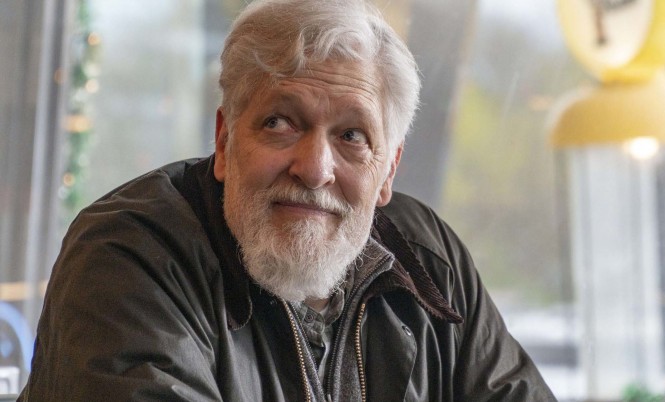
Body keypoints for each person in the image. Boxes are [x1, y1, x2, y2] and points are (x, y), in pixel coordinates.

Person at [19, 0, 556, 400]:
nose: (315, 169)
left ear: (388, 170)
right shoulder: (129, 255)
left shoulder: (431, 262)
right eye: (280, 123)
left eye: (352, 136)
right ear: (225, 142)